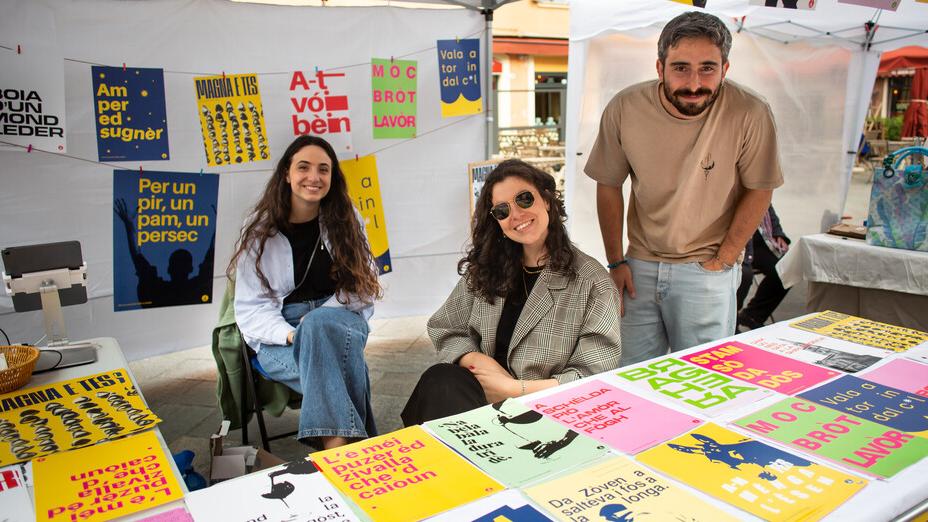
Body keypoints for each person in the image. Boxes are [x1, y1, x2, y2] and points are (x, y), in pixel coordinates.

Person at [585, 11, 783, 366]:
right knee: (631, 377)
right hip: (639, 267)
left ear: (725, 68)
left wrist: (723, 260)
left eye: (707, 68)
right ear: (660, 68)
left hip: (707, 270)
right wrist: (615, 261)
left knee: (706, 382)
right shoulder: (625, 108)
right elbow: (609, 184)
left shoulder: (750, 111)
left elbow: (760, 189)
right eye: (681, 68)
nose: (694, 83)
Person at [401, 160, 622, 426]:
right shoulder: (487, 268)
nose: (515, 214)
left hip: (548, 408)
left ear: (547, 201)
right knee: (440, 380)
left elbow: (594, 375)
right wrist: (476, 361)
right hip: (479, 396)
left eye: (524, 199)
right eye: (502, 211)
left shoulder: (592, 283)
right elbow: (446, 327)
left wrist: (514, 390)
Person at [229, 135, 382, 449]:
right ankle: (350, 452)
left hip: (342, 318)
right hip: (281, 332)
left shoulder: (346, 218)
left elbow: (363, 287)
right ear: (287, 173)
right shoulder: (258, 229)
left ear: (332, 177)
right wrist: (290, 334)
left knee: (319, 328)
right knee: (340, 368)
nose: (314, 177)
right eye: (304, 167)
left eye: (323, 170)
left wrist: (319, 319)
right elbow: (250, 309)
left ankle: (340, 456)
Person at [114, 199, 215, 308]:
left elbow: (138, 259)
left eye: (182, 263)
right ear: (190, 268)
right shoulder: (196, 288)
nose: (180, 267)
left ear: (169, 269)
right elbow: (210, 255)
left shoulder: (157, 290)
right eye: (178, 263)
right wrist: (129, 226)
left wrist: (129, 227)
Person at [736, 205, 790, 330]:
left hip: (759, 239)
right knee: (743, 275)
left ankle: (753, 315)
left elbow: (766, 205)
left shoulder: (761, 187)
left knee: (786, 269)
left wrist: (778, 233)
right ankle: (731, 323)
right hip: (737, 239)